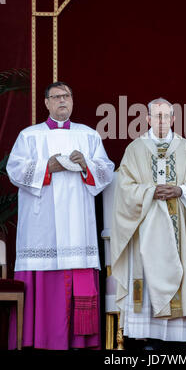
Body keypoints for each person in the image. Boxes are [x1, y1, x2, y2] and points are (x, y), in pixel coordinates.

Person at [6, 81, 114, 350]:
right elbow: (15, 169)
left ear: (72, 100)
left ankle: (81, 341)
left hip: (78, 222)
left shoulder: (88, 136)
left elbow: (106, 171)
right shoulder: (30, 135)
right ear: (46, 103)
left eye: (67, 96)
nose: (62, 100)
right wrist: (47, 167)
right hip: (42, 225)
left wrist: (86, 164)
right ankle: (38, 339)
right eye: (56, 97)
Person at [110, 98, 186, 350]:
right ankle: (150, 338)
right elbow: (124, 190)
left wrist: (181, 190)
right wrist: (150, 192)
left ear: (174, 119)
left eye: (166, 116)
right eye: (156, 116)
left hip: (182, 231)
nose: (161, 121)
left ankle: (182, 339)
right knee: (147, 275)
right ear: (147, 119)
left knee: (180, 273)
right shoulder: (135, 149)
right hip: (146, 232)